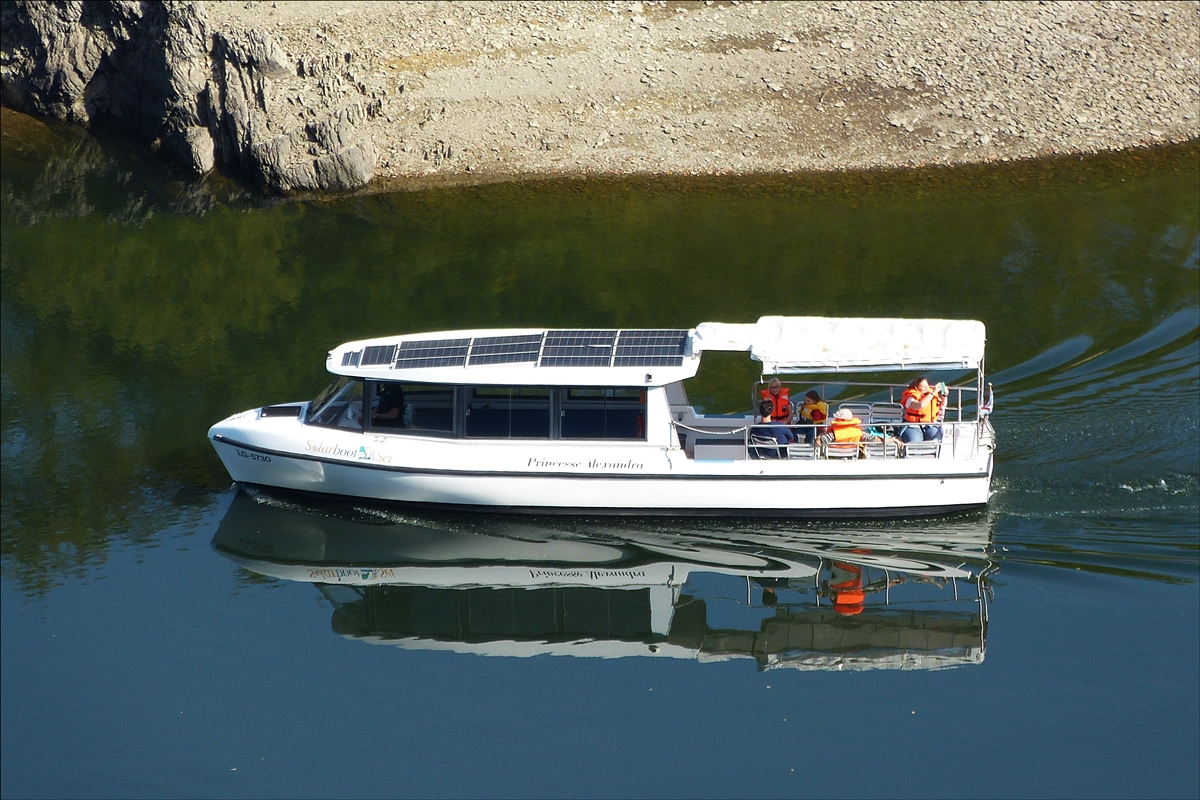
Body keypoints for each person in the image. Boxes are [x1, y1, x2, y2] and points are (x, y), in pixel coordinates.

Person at [817, 407, 887, 455]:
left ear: (841, 420)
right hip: (853, 455)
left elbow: (819, 442)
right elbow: (875, 439)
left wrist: (820, 436)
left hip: (835, 455)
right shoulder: (859, 432)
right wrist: (892, 439)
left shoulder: (833, 434)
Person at [898, 376, 948, 443]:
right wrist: (933, 392)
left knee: (935, 439)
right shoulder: (910, 398)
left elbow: (942, 406)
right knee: (914, 442)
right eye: (923, 387)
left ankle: (932, 452)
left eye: (927, 386)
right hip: (913, 425)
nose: (926, 388)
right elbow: (921, 405)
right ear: (916, 387)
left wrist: (945, 396)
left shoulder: (931, 394)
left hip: (930, 425)